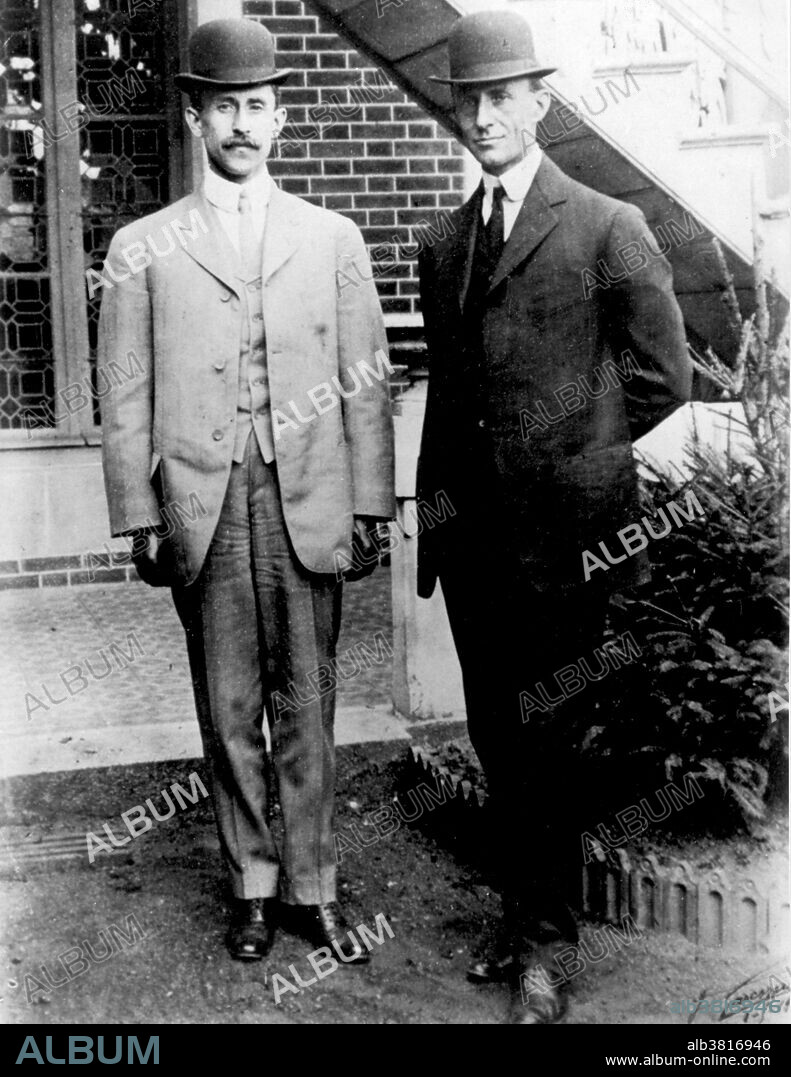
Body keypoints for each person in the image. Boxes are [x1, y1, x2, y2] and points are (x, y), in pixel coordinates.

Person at [98, 18, 394, 964]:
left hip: (308, 495)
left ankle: (314, 885)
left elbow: (366, 381)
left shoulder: (332, 237)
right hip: (205, 505)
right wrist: (139, 515)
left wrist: (371, 504)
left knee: (307, 704)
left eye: (257, 106)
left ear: (280, 119)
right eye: (223, 108)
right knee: (229, 710)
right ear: (196, 119)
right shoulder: (142, 246)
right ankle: (253, 887)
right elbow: (124, 394)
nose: (241, 124)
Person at [417, 10, 692, 1023]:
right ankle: (522, 914)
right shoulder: (444, 242)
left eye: (502, 97)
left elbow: (661, 377)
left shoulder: (606, 225)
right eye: (470, 101)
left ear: (538, 101)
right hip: (474, 546)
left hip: (566, 544)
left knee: (550, 741)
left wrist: (568, 457)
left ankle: (545, 947)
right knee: (497, 737)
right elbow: (449, 394)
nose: (484, 117)